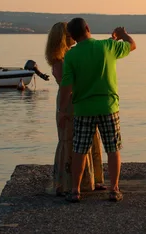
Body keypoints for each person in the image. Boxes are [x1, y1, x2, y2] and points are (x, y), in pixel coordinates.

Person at [58, 18, 136, 202]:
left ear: (72, 36)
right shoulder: (108, 46)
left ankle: (76, 190)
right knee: (113, 149)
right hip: (108, 107)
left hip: (83, 109)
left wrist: (62, 110)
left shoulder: (71, 55)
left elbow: (66, 86)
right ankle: (114, 189)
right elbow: (132, 45)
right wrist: (122, 34)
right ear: (87, 28)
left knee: (80, 150)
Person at [44, 22, 107, 196]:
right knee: (73, 140)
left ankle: (91, 179)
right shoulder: (61, 60)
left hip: (78, 100)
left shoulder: (68, 56)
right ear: (64, 38)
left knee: (87, 138)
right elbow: (68, 85)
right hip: (71, 103)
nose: (73, 36)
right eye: (69, 34)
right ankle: (72, 182)